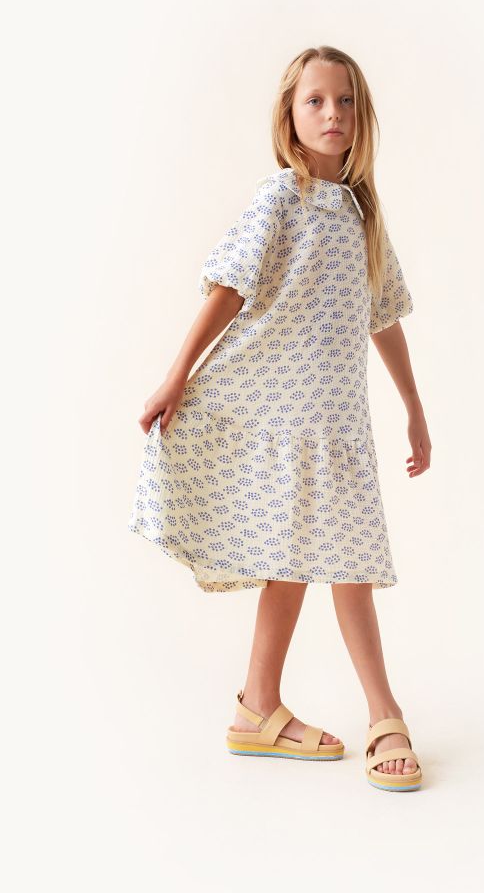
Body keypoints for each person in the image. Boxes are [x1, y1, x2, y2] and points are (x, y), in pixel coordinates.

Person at [127, 45, 432, 791]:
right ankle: (383, 712)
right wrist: (176, 375)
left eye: (346, 101)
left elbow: (383, 316)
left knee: (304, 562)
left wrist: (414, 405)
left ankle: (257, 707)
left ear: (363, 116)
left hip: (338, 427)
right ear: (289, 119)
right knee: (335, 562)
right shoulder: (280, 199)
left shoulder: (362, 216)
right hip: (279, 414)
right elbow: (229, 288)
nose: (333, 114)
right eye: (315, 101)